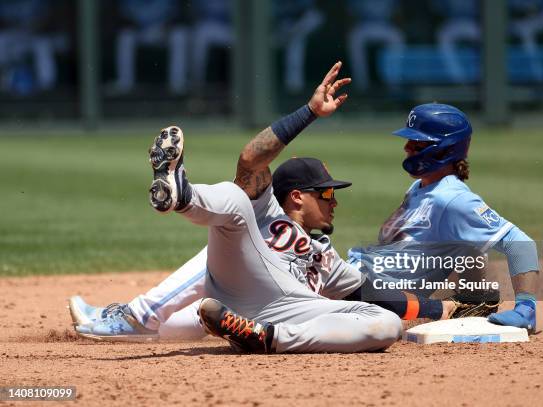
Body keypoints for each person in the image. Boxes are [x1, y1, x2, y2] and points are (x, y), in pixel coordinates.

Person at [71, 63, 486, 346]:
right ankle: (181, 201)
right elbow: (251, 159)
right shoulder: (265, 215)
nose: (335, 202)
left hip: (281, 314)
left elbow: (372, 293)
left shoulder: (326, 256)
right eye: (327, 193)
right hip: (239, 283)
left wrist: (443, 306)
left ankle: (256, 336)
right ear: (297, 197)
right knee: (235, 203)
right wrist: (309, 112)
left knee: (385, 325)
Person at [354, 103, 539, 333]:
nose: (406, 148)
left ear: (445, 149)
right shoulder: (418, 187)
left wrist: (526, 309)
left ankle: (476, 300)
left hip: (370, 295)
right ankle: (473, 300)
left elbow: (522, 245)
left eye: (417, 143)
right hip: (359, 279)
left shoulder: (454, 199)